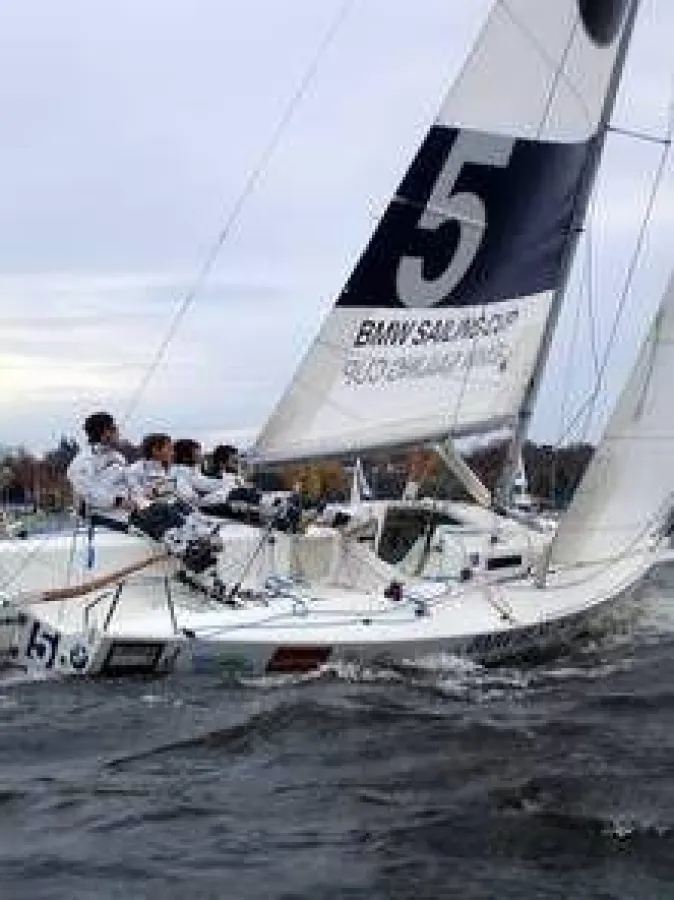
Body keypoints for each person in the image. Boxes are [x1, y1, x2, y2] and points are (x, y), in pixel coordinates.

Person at [67, 411, 139, 527]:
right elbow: (89, 493)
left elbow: (132, 484)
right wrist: (118, 501)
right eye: (115, 429)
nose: (119, 433)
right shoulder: (82, 462)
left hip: (128, 516)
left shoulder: (118, 457)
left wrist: (141, 498)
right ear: (105, 432)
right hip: (101, 520)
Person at [171, 439, 223, 506]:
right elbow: (189, 497)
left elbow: (205, 483)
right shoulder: (180, 472)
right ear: (185, 457)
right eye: (198, 453)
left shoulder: (190, 469)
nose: (201, 456)